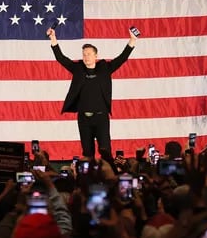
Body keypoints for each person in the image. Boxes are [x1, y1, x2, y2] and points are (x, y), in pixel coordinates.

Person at [46, 26, 138, 157]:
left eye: (89, 54)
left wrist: (132, 40)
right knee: (88, 153)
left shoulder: (105, 68)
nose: (86, 57)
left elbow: (122, 58)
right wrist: (53, 38)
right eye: (84, 54)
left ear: (96, 56)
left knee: (105, 150)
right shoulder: (77, 69)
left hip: (101, 118)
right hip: (84, 119)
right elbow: (61, 58)